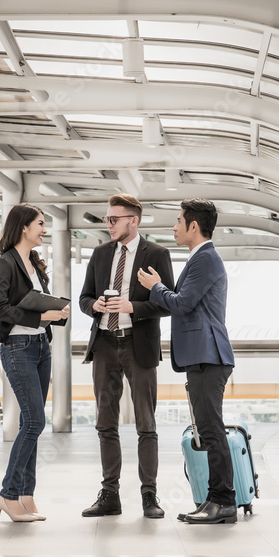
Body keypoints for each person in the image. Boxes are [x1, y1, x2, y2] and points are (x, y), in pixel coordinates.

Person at [137, 198, 237, 525]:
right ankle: (216, 498)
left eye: (179, 221)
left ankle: (223, 501)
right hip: (202, 355)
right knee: (209, 430)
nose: (175, 226)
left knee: (211, 430)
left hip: (209, 355)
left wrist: (156, 288)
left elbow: (183, 304)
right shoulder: (199, 259)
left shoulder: (205, 259)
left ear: (194, 226)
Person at [78, 194, 175, 519]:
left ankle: (150, 497)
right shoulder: (100, 253)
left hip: (139, 343)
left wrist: (132, 306)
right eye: (107, 219)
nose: (108, 224)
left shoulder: (157, 255)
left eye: (113, 219)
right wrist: (95, 306)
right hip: (105, 342)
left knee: (146, 424)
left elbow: (167, 303)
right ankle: (110, 495)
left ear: (133, 221)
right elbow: (84, 297)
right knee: (106, 423)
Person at [0, 204, 70, 522]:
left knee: (29, 424)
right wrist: (42, 315)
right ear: (23, 226)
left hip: (40, 346)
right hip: (18, 347)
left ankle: (25, 495)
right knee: (36, 422)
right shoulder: (4, 263)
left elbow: (39, 304)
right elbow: (0, 308)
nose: (44, 229)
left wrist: (56, 313)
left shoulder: (34, 263)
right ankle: (7, 496)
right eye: (40, 223)